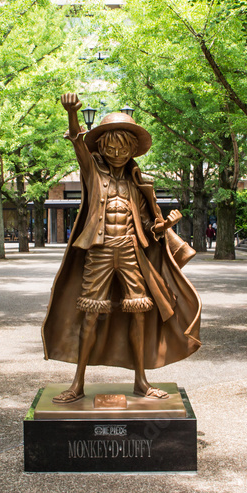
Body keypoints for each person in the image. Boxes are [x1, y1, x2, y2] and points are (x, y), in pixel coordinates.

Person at [41, 92, 201, 404]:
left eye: (123, 147)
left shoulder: (138, 182)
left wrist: (164, 226)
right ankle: (78, 383)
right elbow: (76, 140)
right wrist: (72, 114)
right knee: (89, 315)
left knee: (139, 313)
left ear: (131, 150)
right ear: (100, 145)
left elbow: (147, 226)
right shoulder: (92, 171)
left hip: (131, 252)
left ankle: (141, 381)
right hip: (99, 251)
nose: (117, 152)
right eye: (111, 146)